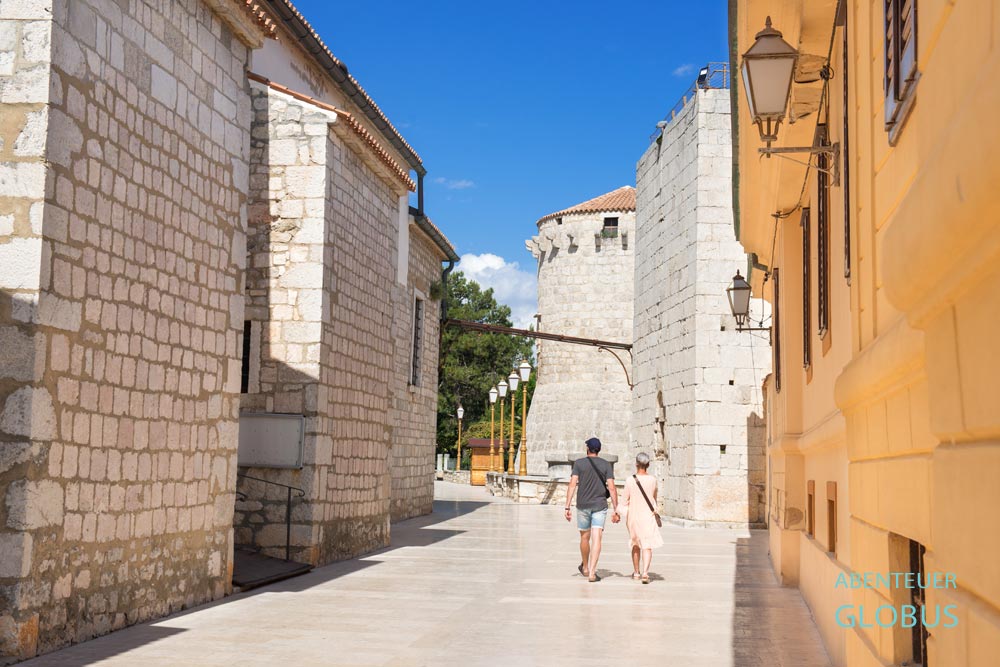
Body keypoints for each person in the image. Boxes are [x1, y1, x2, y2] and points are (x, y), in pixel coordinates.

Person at [564, 437, 619, 582]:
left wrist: (567, 506)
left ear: (588, 448)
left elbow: (572, 485)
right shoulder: (606, 465)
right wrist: (616, 509)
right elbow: (612, 488)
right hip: (600, 506)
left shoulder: (579, 463)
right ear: (598, 450)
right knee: (597, 538)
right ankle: (593, 573)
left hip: (582, 505)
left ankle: (586, 567)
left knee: (584, 537)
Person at [620, 451, 663, 584]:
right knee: (647, 545)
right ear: (648, 465)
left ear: (636, 464)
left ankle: (637, 572)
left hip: (633, 517)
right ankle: (645, 572)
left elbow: (624, 500)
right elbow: (654, 497)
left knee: (635, 543)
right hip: (648, 516)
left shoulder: (629, 480)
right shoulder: (653, 480)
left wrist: (617, 513)